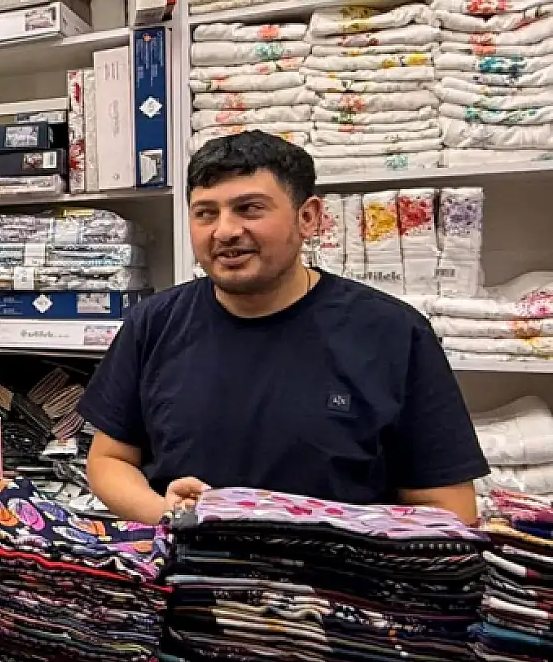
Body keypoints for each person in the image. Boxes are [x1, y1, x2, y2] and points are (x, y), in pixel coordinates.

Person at [79, 131, 488, 526]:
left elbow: (448, 506)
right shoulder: (153, 323)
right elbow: (109, 459)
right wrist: (169, 514)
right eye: (206, 213)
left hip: (334, 586)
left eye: (250, 209)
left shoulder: (393, 334)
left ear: (308, 217)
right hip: (187, 580)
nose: (224, 231)